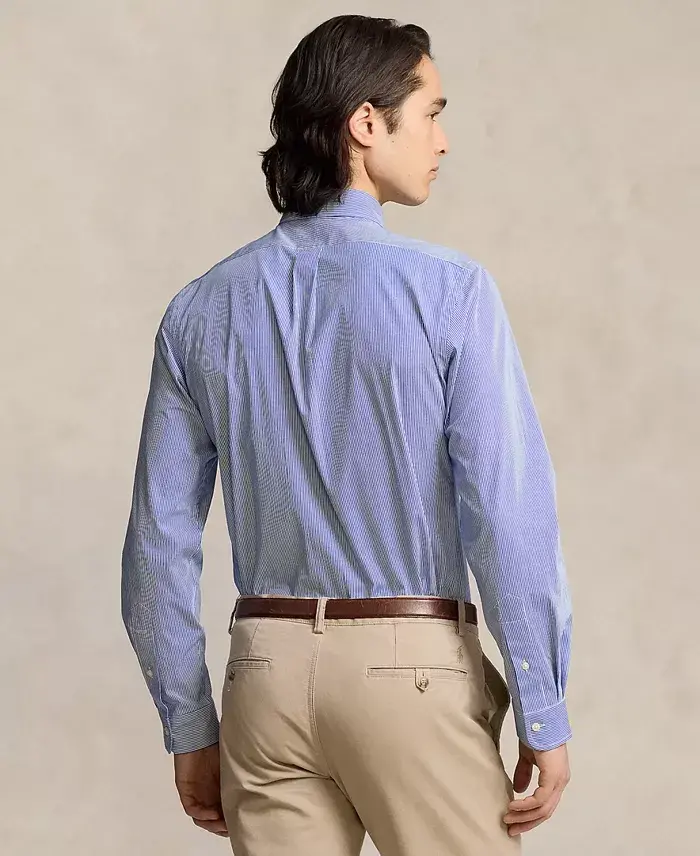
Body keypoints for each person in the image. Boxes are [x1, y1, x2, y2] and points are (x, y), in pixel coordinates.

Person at [121, 13, 572, 855]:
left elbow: (158, 543)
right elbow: (506, 514)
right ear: (367, 123)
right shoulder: (451, 292)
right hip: (411, 672)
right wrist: (543, 707)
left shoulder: (199, 310)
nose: (443, 139)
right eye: (430, 112)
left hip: (262, 677)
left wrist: (189, 724)